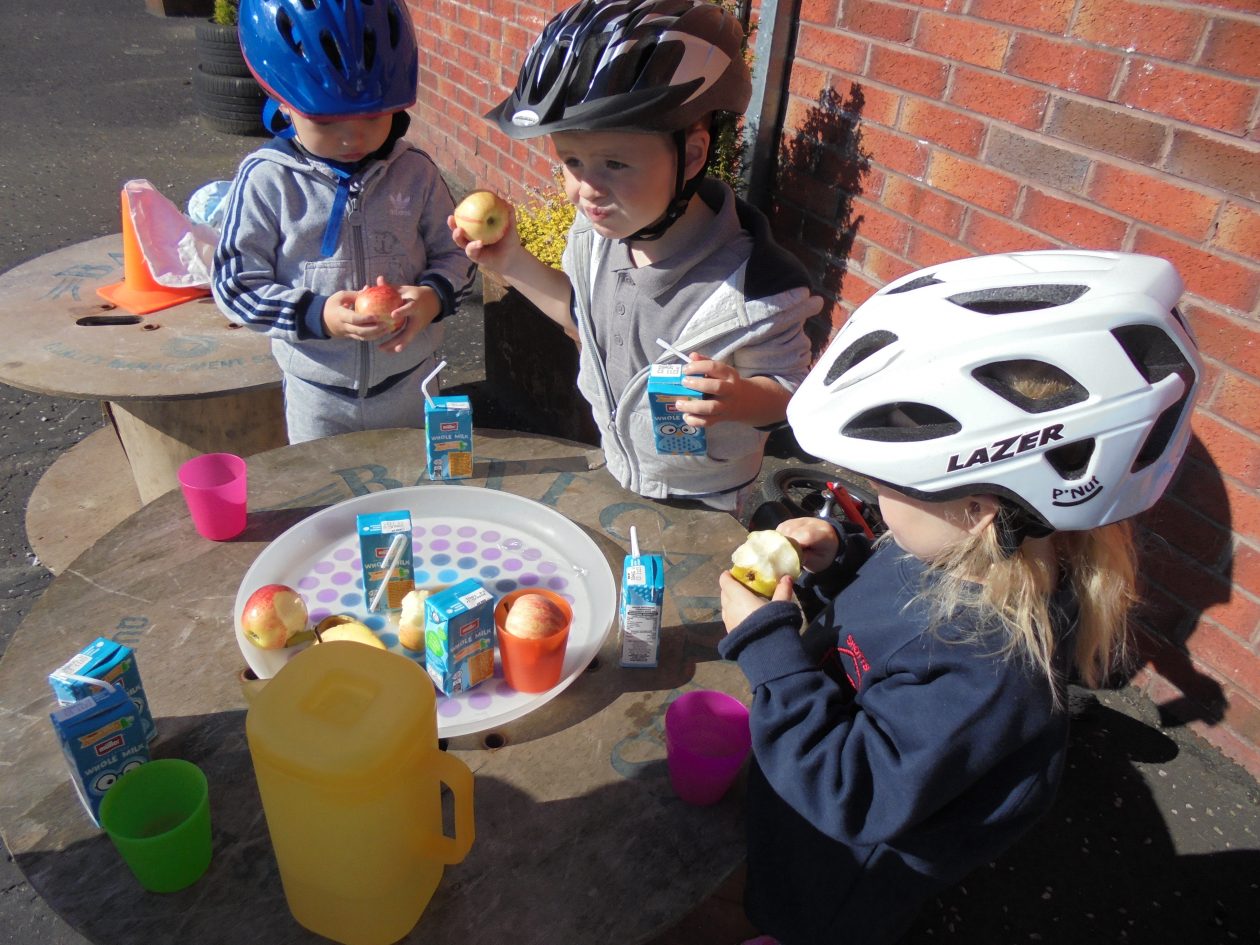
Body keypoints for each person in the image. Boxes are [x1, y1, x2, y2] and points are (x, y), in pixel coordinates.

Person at [717, 251, 1203, 945]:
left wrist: (767, 648)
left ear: (978, 510)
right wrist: (839, 561)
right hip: (813, 772)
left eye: (889, 484)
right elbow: (887, 619)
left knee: (804, 919)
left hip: (844, 869)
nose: (875, 499)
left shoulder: (990, 671)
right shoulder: (962, 553)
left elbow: (852, 794)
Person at [452, 0, 821, 513]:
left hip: (709, 497)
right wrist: (509, 260)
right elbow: (583, 319)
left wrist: (742, 398)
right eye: (571, 161)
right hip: (617, 469)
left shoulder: (757, 289)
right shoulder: (595, 237)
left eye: (615, 163)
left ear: (692, 155)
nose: (587, 189)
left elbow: (791, 396)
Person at [213, 0, 475, 443]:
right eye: (326, 120)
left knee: (412, 480)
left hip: (412, 383)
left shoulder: (415, 171)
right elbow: (235, 284)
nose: (352, 136)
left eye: (372, 115)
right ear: (283, 103)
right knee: (326, 484)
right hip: (318, 394)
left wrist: (433, 297)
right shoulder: (267, 179)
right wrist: (317, 315)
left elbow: (457, 254)